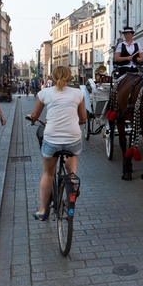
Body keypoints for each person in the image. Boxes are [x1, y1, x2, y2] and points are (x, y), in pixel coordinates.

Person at [26, 66, 85, 220]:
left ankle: (43, 210)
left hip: (52, 138)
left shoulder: (44, 93)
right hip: (73, 138)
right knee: (71, 153)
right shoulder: (78, 93)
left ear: (52, 78)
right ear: (69, 77)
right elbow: (83, 118)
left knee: (48, 173)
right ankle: (72, 182)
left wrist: (31, 118)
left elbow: (34, 114)